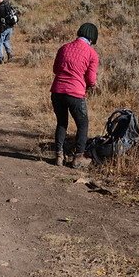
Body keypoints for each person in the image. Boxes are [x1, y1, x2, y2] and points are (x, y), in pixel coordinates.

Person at [50, 23, 99, 168]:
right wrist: (93, 85)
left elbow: (55, 69)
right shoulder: (92, 54)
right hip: (75, 93)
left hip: (57, 91)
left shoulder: (64, 47)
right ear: (92, 38)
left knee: (62, 123)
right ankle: (78, 158)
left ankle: (59, 155)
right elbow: (90, 79)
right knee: (82, 125)